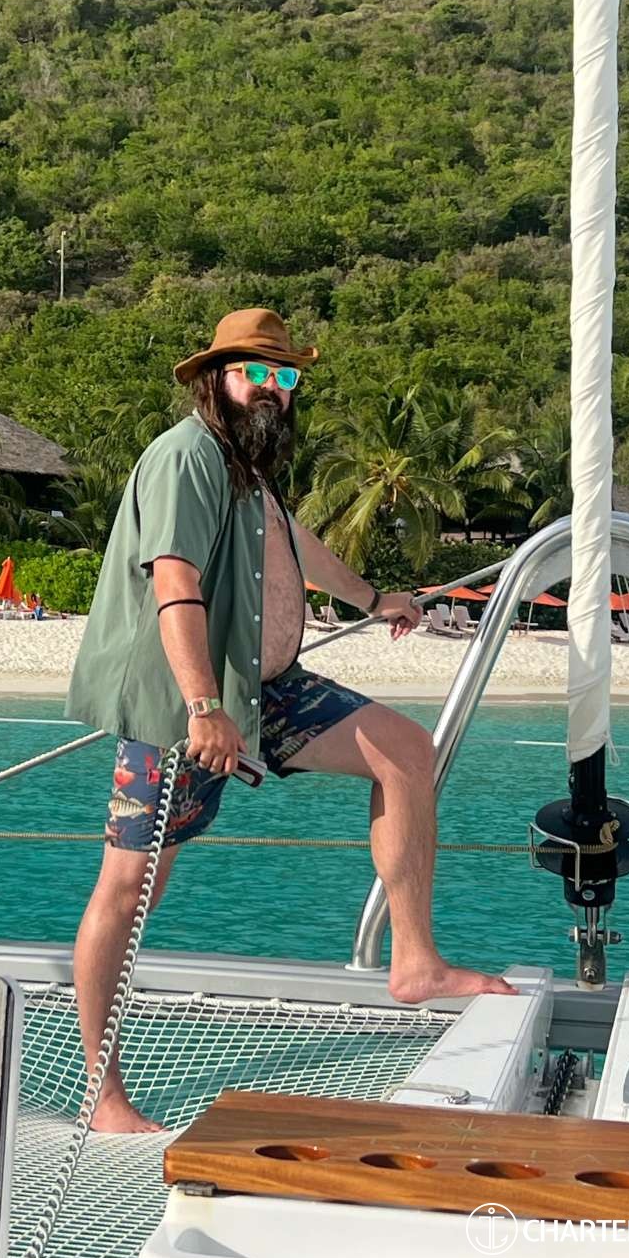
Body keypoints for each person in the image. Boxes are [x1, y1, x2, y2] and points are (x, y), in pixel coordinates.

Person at [66, 307, 516, 1133]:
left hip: (266, 689)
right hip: (182, 707)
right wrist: (203, 706)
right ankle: (104, 1096)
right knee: (130, 886)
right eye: (256, 373)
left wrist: (374, 598)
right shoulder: (187, 458)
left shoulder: (247, 465)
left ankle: (415, 962)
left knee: (405, 752)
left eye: (285, 375)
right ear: (217, 379)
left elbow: (293, 544)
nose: (272, 388)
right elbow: (174, 583)